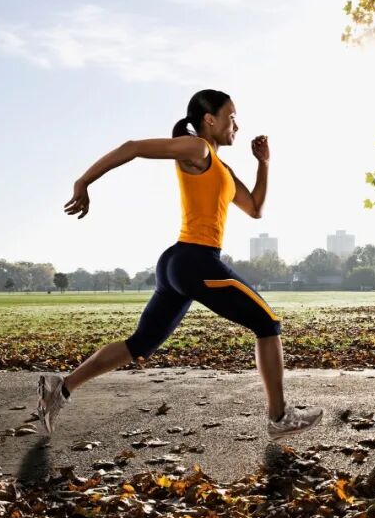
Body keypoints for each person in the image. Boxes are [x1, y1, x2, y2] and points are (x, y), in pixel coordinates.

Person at [37, 89, 322, 441]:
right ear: (209, 120)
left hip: (180, 263)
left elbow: (255, 208)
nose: (237, 124)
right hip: (195, 260)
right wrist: (83, 181)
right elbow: (133, 147)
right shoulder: (197, 149)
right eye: (231, 117)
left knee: (139, 344)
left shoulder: (223, 169)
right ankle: (278, 417)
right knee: (267, 323)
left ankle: (60, 388)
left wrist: (263, 163)